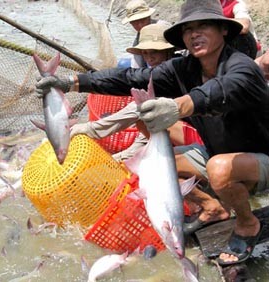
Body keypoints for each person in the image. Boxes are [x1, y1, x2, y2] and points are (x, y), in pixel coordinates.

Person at [35, 0, 269, 266]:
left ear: (223, 30)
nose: (194, 34)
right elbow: (131, 77)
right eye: (188, 29)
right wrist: (72, 82)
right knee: (144, 168)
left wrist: (175, 106)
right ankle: (212, 207)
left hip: (260, 158)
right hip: (216, 152)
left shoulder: (243, 68)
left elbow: (217, 93)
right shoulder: (184, 69)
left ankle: (247, 224)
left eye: (203, 26)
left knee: (218, 169)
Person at [70, 22, 203, 161]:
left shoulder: (179, 68)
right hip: (170, 126)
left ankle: (93, 131)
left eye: (154, 52)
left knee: (144, 107)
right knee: (142, 121)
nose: (149, 58)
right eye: (145, 53)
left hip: (196, 134)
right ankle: (124, 156)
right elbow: (124, 78)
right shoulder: (156, 72)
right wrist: (75, 82)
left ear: (168, 51)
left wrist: (93, 128)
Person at [121, 0, 157, 68]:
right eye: (135, 22)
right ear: (131, 23)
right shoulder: (139, 38)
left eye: (143, 20)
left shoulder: (161, 28)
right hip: (148, 68)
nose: (140, 25)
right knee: (122, 64)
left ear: (149, 17)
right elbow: (137, 64)